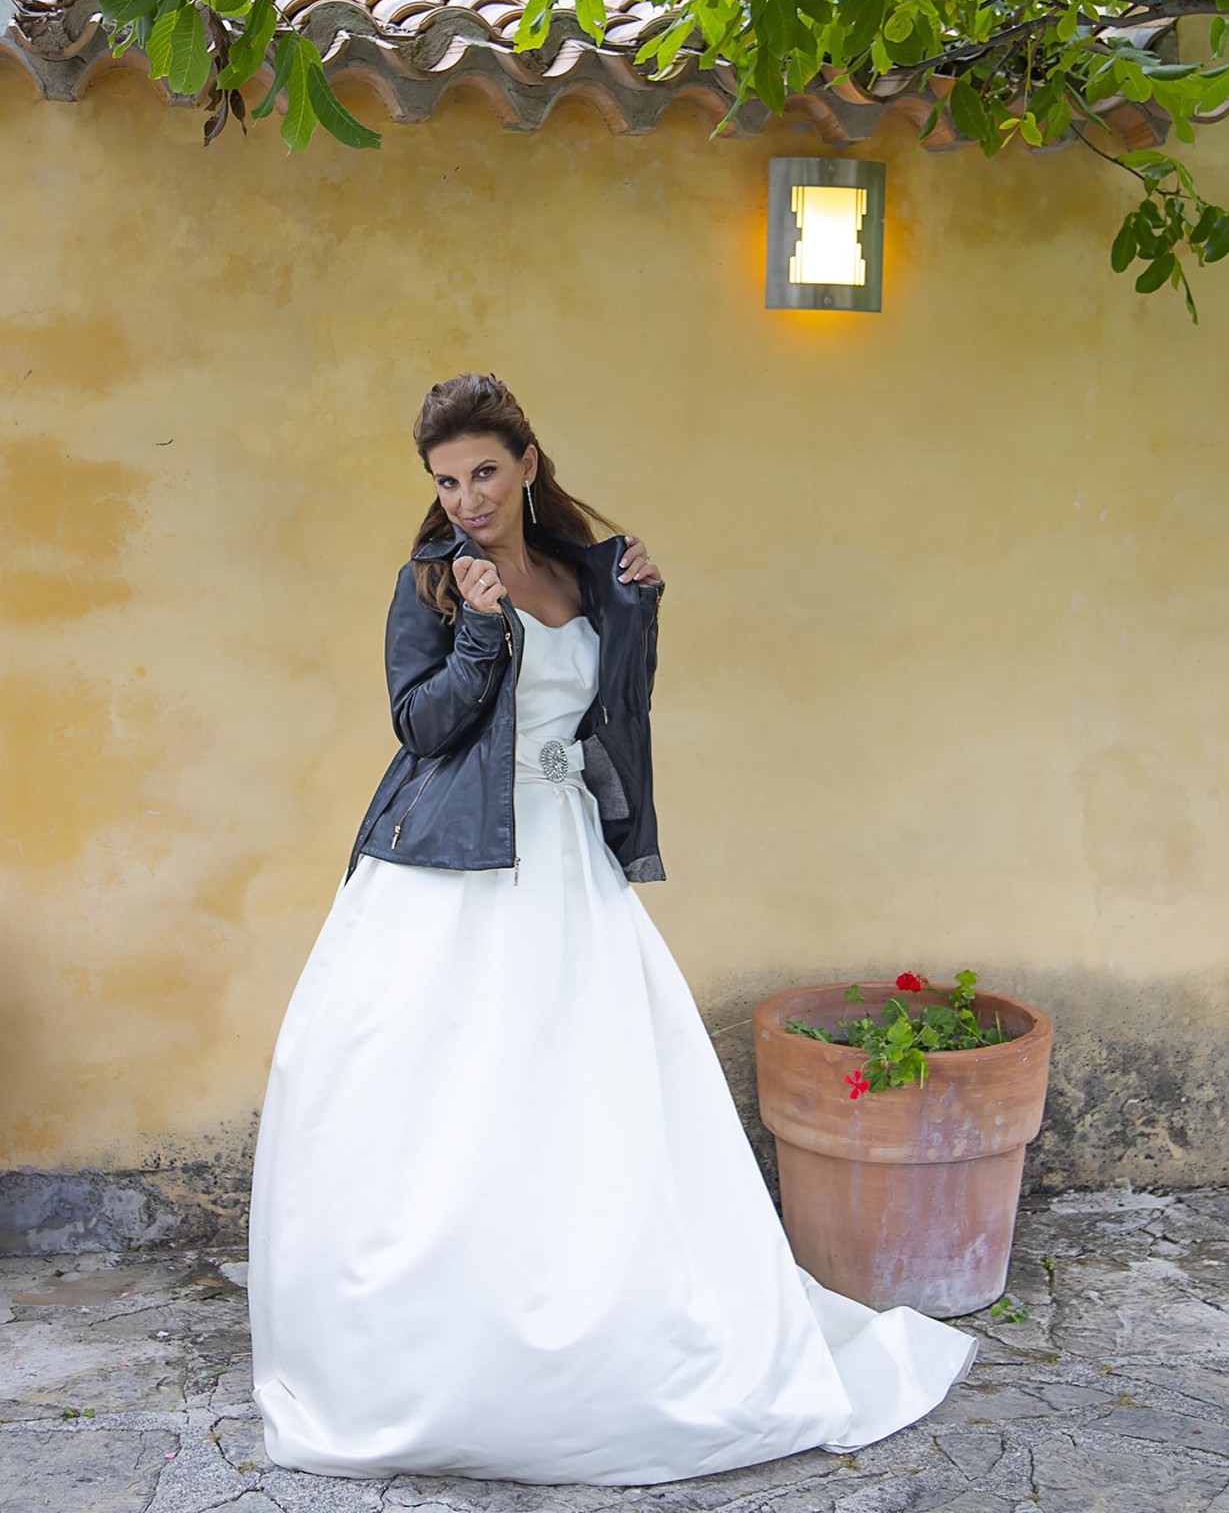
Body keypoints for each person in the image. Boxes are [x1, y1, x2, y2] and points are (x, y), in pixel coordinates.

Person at [247, 371, 976, 1486]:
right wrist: (479, 632)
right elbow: (419, 727)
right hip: (451, 864)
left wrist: (639, 607)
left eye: (484, 472)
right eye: (445, 481)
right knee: (447, 1098)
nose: (465, 499)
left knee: (588, 1090)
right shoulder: (433, 581)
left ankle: (614, 1322)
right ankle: (438, 1349)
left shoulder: (588, 572)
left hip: (567, 859)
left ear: (527, 465)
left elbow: (616, 707)